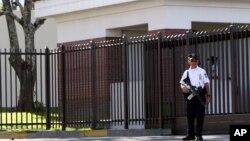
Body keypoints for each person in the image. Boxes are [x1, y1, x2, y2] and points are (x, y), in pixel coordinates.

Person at [179, 53, 211, 140]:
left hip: (200, 94)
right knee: (190, 115)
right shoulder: (186, 72)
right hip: (190, 95)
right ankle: (190, 135)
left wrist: (208, 95)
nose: (194, 62)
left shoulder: (202, 71)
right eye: (192, 60)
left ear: (198, 61)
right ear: (188, 61)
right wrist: (183, 88)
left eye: (195, 60)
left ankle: (199, 135)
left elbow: (206, 83)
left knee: (200, 115)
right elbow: (182, 83)